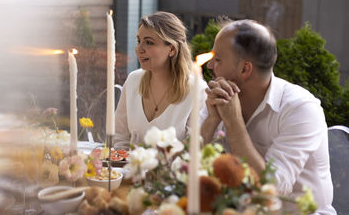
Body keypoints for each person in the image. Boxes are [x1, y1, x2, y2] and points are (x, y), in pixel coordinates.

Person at [201, 19, 336, 214]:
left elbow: (270, 189)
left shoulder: (301, 108)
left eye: (218, 59)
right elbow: (183, 169)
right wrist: (211, 122)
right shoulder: (219, 97)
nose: (210, 65)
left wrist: (234, 123)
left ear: (245, 69)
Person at [114, 11, 207, 147]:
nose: (139, 49)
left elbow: (194, 150)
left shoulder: (197, 90)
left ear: (172, 49)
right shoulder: (133, 80)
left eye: (149, 43)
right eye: (139, 41)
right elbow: (118, 138)